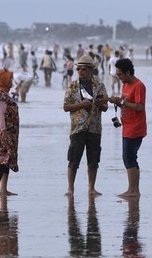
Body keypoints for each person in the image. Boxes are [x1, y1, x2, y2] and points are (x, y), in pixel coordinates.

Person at [63, 55, 109, 197]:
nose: (80, 71)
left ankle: (91, 188)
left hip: (94, 128)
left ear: (91, 70)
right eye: (78, 69)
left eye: (83, 69)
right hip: (78, 127)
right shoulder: (72, 86)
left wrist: (101, 104)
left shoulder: (99, 86)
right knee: (73, 159)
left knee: (93, 160)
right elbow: (65, 107)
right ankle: (70, 188)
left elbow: (106, 107)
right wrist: (81, 105)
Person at [108, 58, 147, 198]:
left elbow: (139, 106)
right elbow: (125, 103)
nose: (119, 77)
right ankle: (134, 190)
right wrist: (117, 101)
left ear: (128, 72)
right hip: (127, 126)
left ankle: (133, 190)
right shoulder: (125, 85)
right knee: (130, 157)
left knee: (128, 157)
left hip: (136, 127)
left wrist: (122, 102)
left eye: (120, 75)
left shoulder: (138, 85)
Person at [0, 69, 19, 196]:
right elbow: (0, 114)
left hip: (9, 132)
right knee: (2, 158)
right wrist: (4, 131)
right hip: (4, 132)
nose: (12, 81)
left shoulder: (3, 93)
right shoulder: (1, 95)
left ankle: (3, 189)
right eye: (10, 78)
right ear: (3, 79)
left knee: (7, 158)